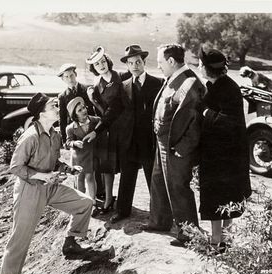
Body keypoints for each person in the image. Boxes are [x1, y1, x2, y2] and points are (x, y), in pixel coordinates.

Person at [0, 93, 93, 274]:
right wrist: (44, 176)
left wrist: (68, 168)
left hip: (50, 186)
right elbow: (16, 167)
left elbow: (54, 161)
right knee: (19, 240)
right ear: (41, 113)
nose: (58, 109)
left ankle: (71, 243)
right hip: (29, 190)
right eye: (54, 106)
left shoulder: (55, 134)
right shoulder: (30, 137)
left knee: (85, 203)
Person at [145, 43, 206, 247]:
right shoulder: (173, 78)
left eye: (160, 62)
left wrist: (183, 149)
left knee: (177, 187)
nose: (158, 65)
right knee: (158, 182)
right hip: (162, 143)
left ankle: (188, 234)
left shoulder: (189, 83)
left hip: (176, 147)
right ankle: (160, 221)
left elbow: (195, 123)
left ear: (171, 61)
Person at [197, 47, 252, 252]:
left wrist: (205, 112)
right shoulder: (219, 85)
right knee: (225, 198)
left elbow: (228, 122)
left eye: (201, 64)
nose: (199, 66)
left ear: (207, 68)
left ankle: (217, 243)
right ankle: (224, 242)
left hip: (223, 156)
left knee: (218, 198)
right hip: (221, 154)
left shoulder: (227, 89)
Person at [110, 44, 164, 224]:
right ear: (127, 66)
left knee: (152, 179)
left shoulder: (157, 83)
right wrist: (97, 130)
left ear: (144, 62)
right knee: (127, 177)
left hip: (149, 141)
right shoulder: (123, 85)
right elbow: (114, 111)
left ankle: (157, 215)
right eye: (131, 63)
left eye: (138, 62)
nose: (135, 66)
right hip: (129, 142)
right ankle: (122, 211)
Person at [83, 46, 126, 214]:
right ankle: (108, 198)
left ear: (107, 61)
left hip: (121, 127)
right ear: (93, 68)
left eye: (103, 61)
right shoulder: (95, 85)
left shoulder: (120, 77)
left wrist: (98, 129)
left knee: (123, 166)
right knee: (107, 166)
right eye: (97, 64)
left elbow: (115, 108)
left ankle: (116, 201)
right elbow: (98, 111)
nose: (101, 65)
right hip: (105, 130)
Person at [57, 63, 104, 199]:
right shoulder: (62, 96)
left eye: (71, 75)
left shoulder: (86, 89)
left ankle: (98, 194)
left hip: (90, 132)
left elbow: (94, 111)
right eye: (66, 77)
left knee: (94, 167)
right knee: (78, 170)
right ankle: (80, 196)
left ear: (75, 75)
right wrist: (66, 141)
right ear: (63, 80)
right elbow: (62, 119)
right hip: (75, 134)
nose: (70, 78)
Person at [65, 96, 101, 206]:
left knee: (90, 177)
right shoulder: (70, 128)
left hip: (91, 155)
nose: (84, 111)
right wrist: (75, 143)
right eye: (80, 110)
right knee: (79, 178)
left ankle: (92, 200)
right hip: (78, 157)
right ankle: (81, 200)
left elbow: (101, 133)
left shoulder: (95, 121)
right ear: (74, 115)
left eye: (84, 108)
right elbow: (67, 143)